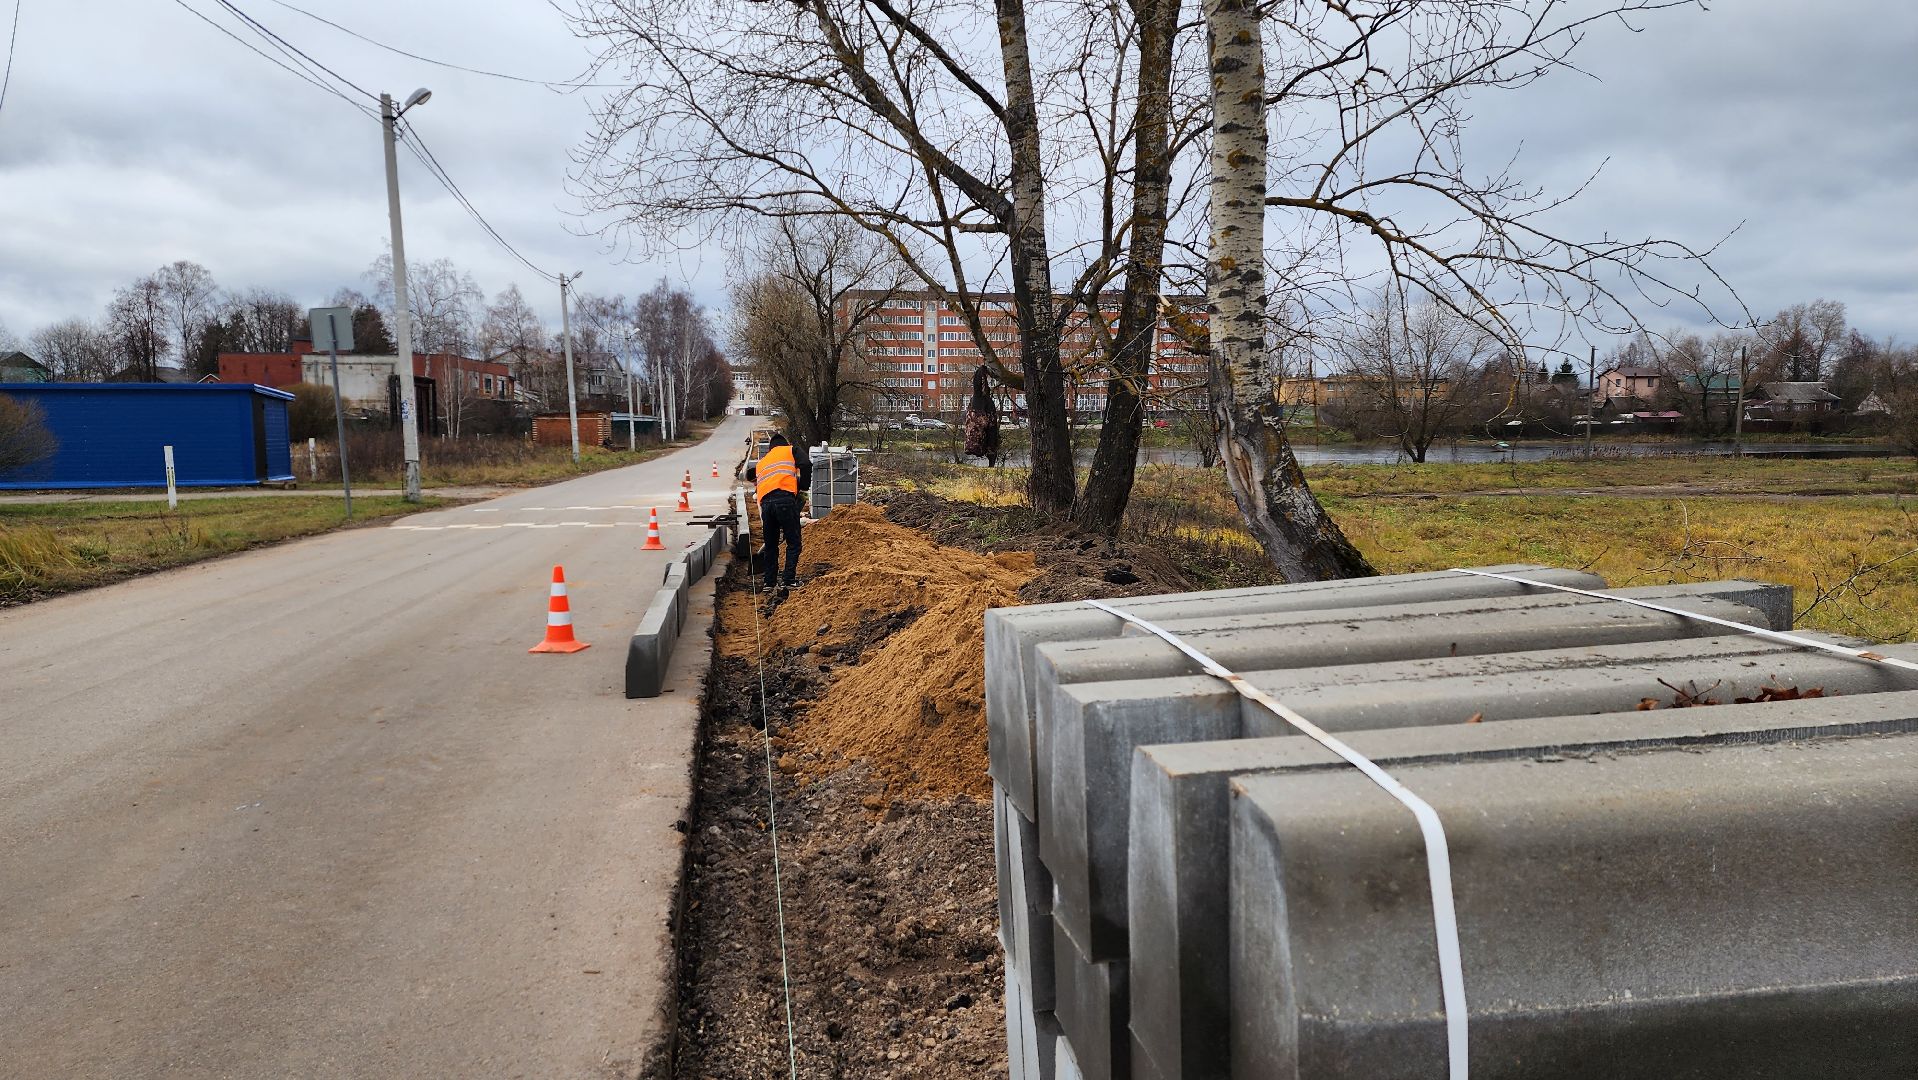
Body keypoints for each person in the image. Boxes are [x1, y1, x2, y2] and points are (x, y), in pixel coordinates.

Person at [747, 432, 811, 594]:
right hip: (784, 500)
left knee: (771, 545)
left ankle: (769, 583)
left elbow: (760, 483)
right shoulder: (791, 450)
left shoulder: (763, 462)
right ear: (785, 443)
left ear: (771, 448)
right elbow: (806, 464)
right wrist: (803, 487)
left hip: (766, 505)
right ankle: (788, 580)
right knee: (793, 542)